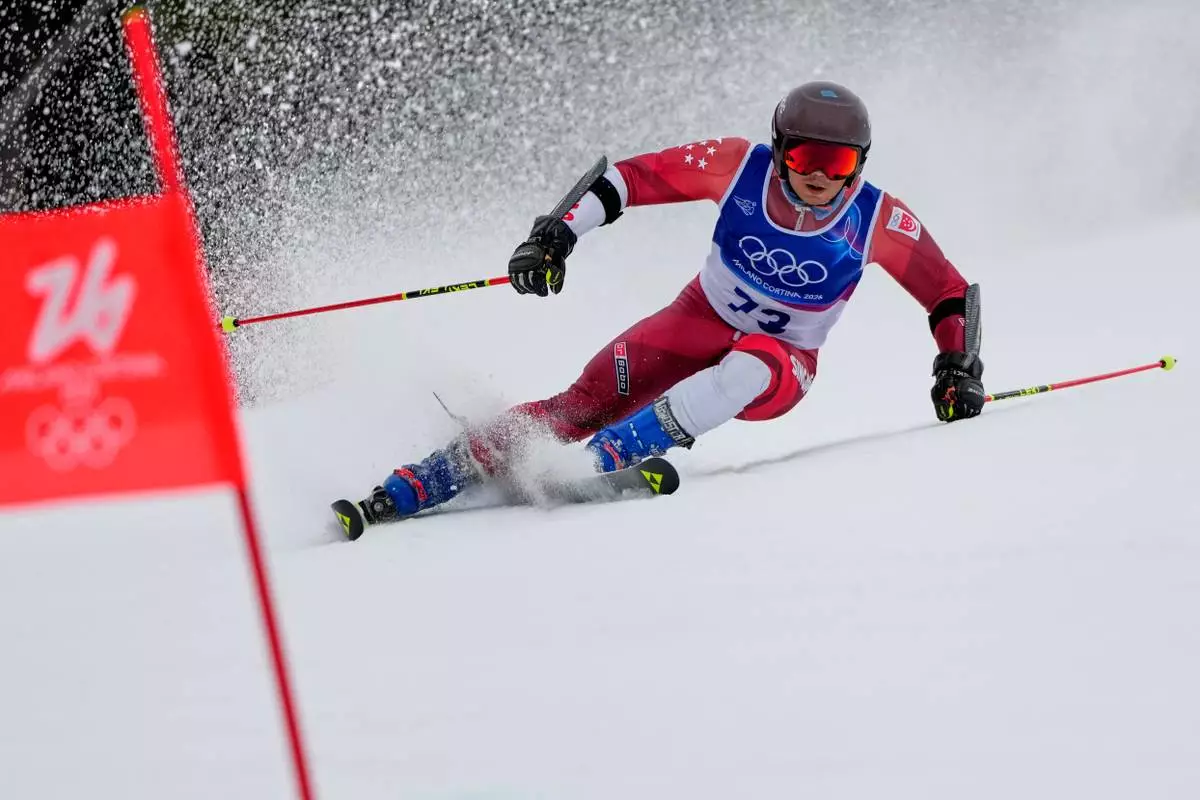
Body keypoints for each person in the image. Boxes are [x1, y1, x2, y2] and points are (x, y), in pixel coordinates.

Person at [354, 81, 986, 526]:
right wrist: (556, 235)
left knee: (749, 365)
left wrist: (956, 369)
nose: (818, 174)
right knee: (584, 399)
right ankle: (430, 476)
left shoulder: (878, 218)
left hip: (783, 361)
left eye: (838, 161)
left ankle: (602, 461)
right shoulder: (738, 167)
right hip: (695, 321)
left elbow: (947, 292)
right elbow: (629, 179)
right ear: (779, 146)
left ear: (859, 165)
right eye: (803, 156)